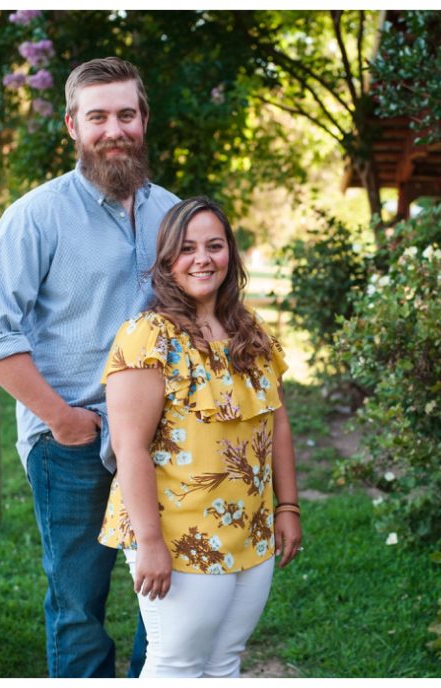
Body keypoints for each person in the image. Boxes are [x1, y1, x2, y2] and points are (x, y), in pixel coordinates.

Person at [0, 57, 179, 678]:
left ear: (143, 121)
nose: (114, 129)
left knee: (166, 596)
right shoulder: (37, 215)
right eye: (98, 117)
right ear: (72, 126)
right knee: (79, 603)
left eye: (126, 114)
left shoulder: (171, 212)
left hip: (168, 439)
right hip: (75, 441)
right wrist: (61, 419)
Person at [98, 196, 302, 678]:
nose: (203, 258)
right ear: (167, 259)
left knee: (224, 663)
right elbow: (129, 447)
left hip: (250, 528)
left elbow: (278, 423)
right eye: (187, 248)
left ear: (231, 253)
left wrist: (287, 507)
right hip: (178, 532)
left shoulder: (251, 333)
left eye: (214, 245)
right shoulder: (149, 336)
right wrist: (149, 542)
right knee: (176, 665)